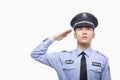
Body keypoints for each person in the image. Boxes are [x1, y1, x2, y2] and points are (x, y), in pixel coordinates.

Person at [31, 12, 111, 80]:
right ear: (75, 35)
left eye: (88, 29)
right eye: (80, 29)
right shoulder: (61, 57)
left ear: (93, 35)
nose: (84, 32)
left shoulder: (102, 59)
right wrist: (53, 38)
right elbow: (36, 54)